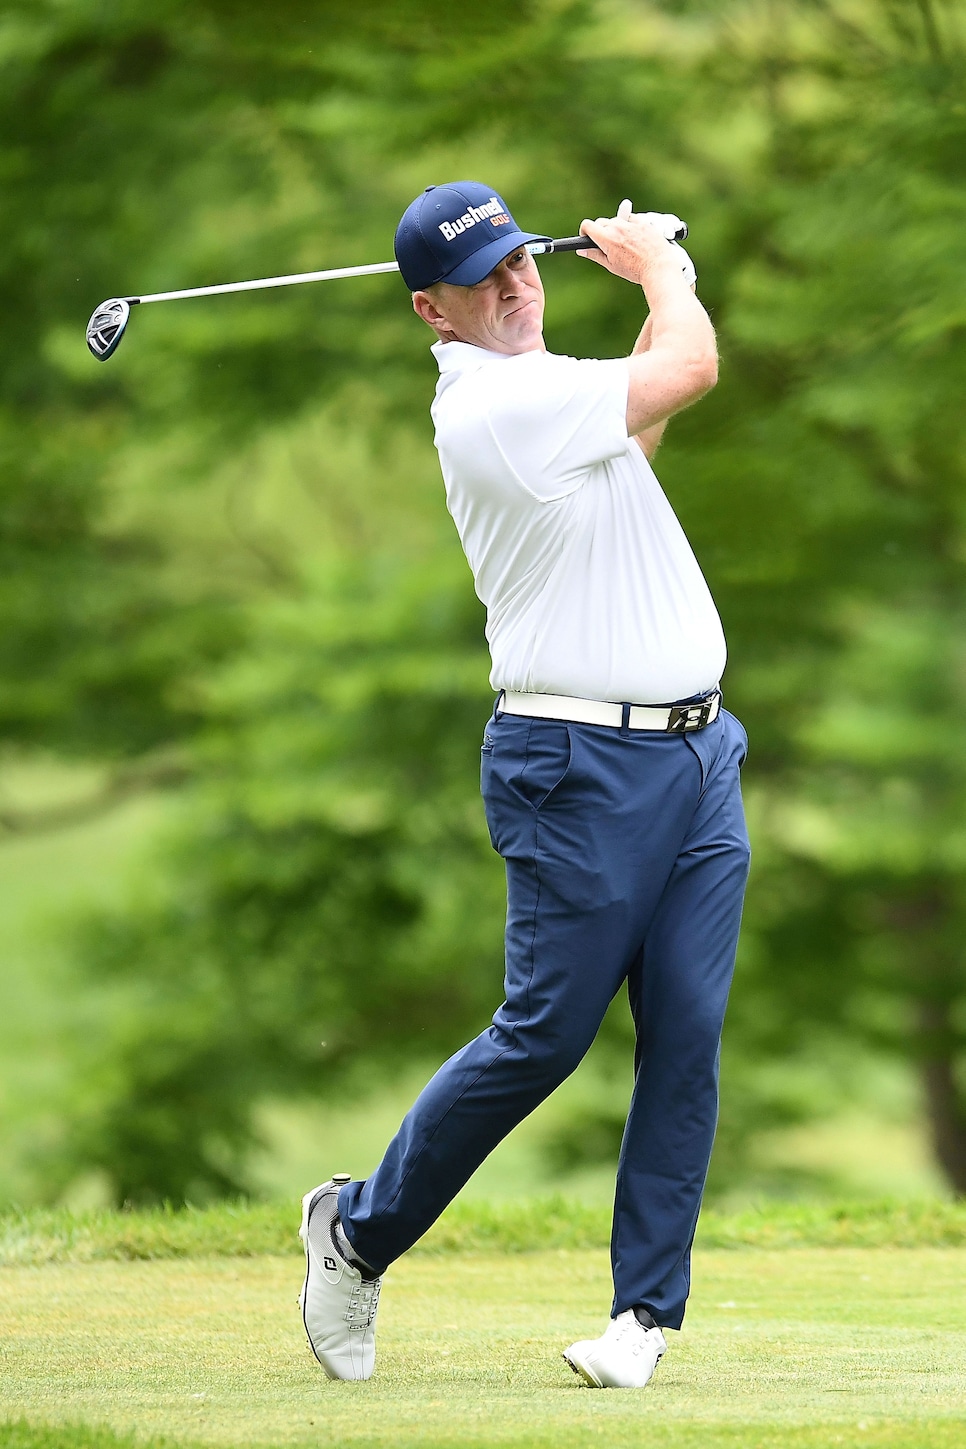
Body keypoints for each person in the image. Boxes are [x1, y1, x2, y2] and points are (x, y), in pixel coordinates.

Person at [298, 180, 751, 1388]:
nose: (514, 283)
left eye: (521, 260)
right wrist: (663, 271)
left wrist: (646, 298)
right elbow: (690, 370)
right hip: (578, 767)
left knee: (689, 1034)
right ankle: (355, 1231)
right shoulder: (496, 408)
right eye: (483, 277)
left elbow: (640, 426)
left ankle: (641, 1321)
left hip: (699, 758)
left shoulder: (553, 400)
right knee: (546, 1033)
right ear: (430, 314)